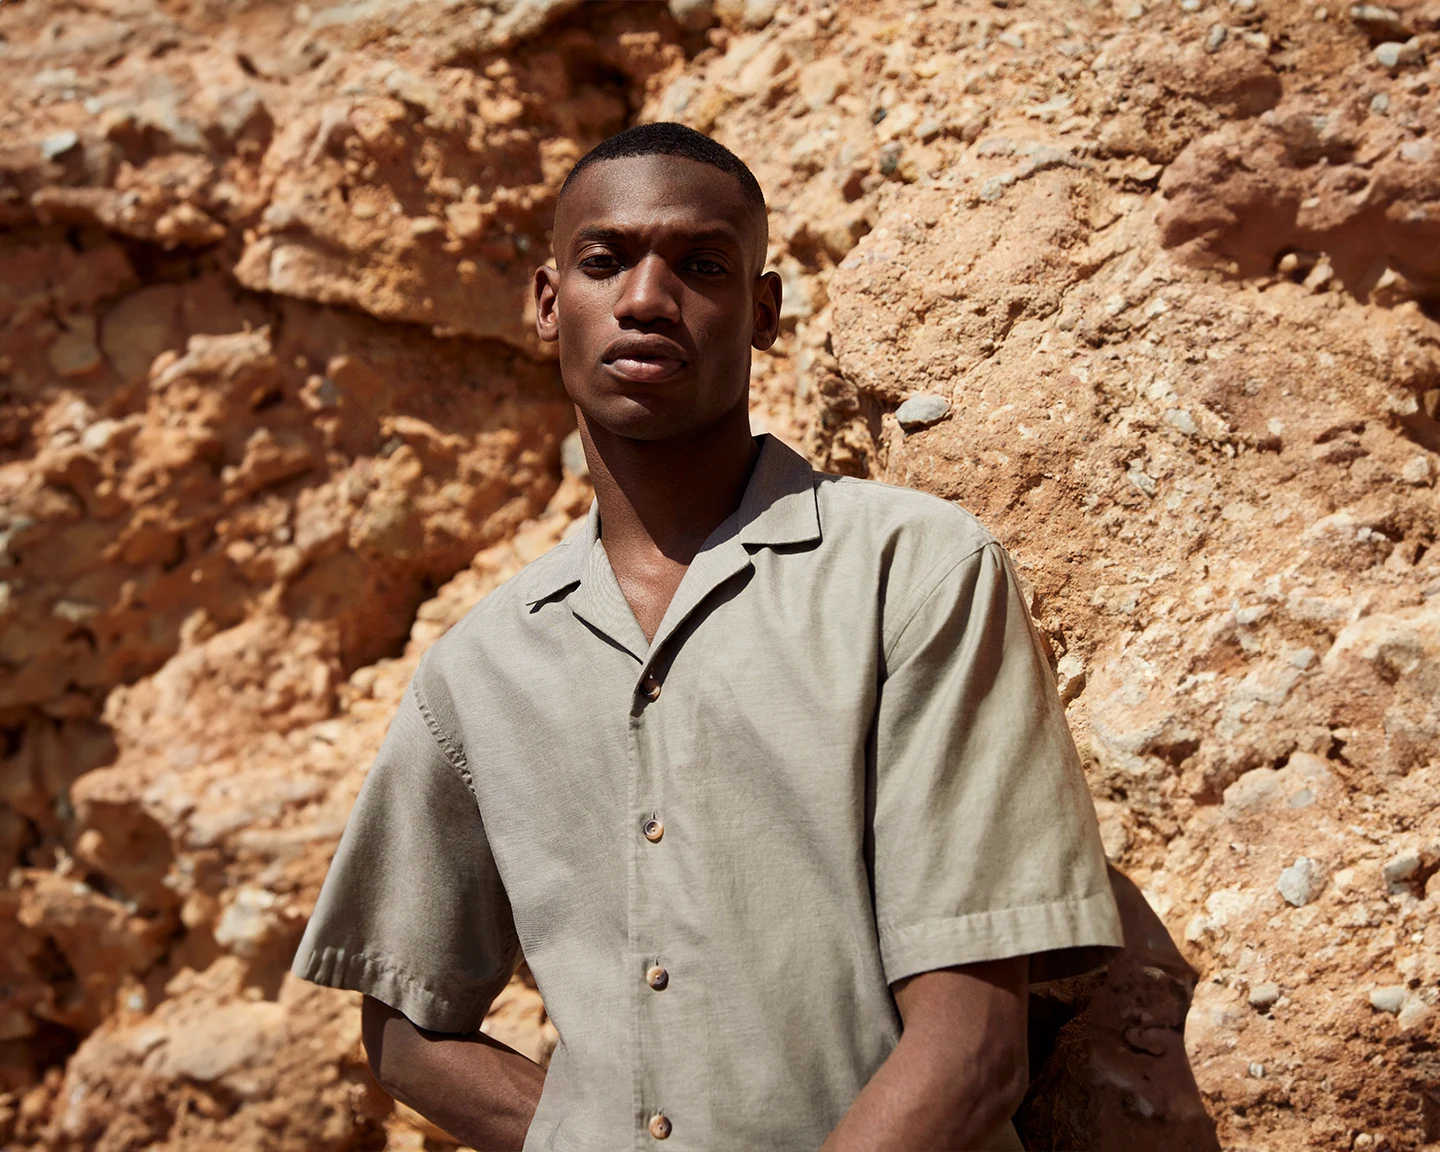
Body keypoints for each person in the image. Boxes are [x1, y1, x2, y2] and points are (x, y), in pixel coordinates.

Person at [292, 122, 1124, 1151]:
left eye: (700, 265)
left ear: (761, 311)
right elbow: (408, 1026)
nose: (646, 298)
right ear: (550, 305)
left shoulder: (911, 574)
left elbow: (977, 1043)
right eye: (605, 261)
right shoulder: (482, 668)